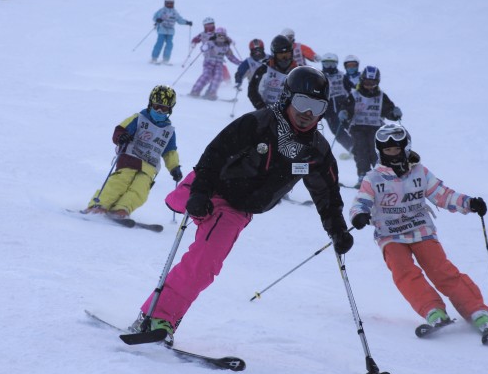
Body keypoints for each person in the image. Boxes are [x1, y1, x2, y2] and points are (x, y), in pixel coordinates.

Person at [128, 66, 353, 344]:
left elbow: (327, 194)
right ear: (287, 98)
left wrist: (338, 230)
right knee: (204, 261)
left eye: (317, 106)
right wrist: (199, 192)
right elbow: (215, 154)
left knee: (206, 263)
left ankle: (160, 315)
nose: (308, 112)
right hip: (212, 186)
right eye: (302, 102)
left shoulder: (315, 152)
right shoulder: (258, 124)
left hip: (237, 207)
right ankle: (156, 316)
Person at [349, 123, 488, 336]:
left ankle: (476, 311)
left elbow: (442, 195)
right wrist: (359, 214)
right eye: (387, 151)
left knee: (441, 271)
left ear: (405, 148)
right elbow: (361, 201)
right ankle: (433, 310)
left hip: (420, 229)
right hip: (390, 235)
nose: (392, 155)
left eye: (396, 150)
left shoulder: (420, 173)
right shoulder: (374, 178)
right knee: (405, 273)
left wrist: (469, 203)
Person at [85, 85, 183, 218]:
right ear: (150, 104)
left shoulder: (168, 131)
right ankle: (99, 205)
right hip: (130, 158)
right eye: (156, 106)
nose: (159, 111)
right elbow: (120, 130)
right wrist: (122, 136)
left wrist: (174, 167)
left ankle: (121, 209)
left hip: (150, 166)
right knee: (119, 182)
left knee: (140, 190)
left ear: (170, 109)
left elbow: (169, 152)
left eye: (164, 108)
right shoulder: (139, 119)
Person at [342, 66, 402, 188]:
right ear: (362, 80)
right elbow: (347, 109)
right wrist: (344, 114)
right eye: (367, 82)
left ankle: (380, 175)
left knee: (376, 151)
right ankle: (363, 175)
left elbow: (388, 110)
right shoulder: (355, 95)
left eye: (372, 83)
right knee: (361, 150)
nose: (369, 85)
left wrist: (394, 113)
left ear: (377, 82)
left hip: (375, 127)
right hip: (358, 127)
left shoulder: (381, 96)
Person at [189, 27, 241, 100]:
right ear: (216, 35)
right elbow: (203, 48)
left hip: (219, 64)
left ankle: (211, 93)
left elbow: (231, 57)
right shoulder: (211, 43)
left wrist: (240, 63)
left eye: (223, 36)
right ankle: (195, 91)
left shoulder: (226, 47)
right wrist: (204, 47)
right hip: (209, 62)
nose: (221, 38)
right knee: (206, 75)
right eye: (219, 35)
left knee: (218, 77)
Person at [247, 35, 297, 109]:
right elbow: (252, 90)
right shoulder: (264, 69)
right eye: (281, 55)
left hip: (289, 113)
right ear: (274, 55)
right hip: (266, 111)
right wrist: (261, 106)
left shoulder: (297, 71)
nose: (284, 59)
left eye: (287, 55)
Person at [319, 53, 353, 153]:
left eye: (332, 64)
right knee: (337, 132)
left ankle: (362, 147)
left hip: (343, 108)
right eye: (326, 64)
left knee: (352, 128)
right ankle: (352, 148)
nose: (329, 67)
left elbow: (352, 88)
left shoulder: (342, 76)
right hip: (328, 111)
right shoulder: (319, 76)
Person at [150, 0, 193, 65]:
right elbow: (155, 17)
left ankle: (166, 60)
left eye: (171, 3)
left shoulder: (174, 12)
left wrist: (187, 22)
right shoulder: (162, 11)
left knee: (169, 44)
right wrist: (157, 19)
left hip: (170, 31)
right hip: (162, 29)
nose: (170, 5)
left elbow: (179, 20)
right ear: (165, 3)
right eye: (168, 3)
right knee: (160, 43)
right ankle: (154, 58)